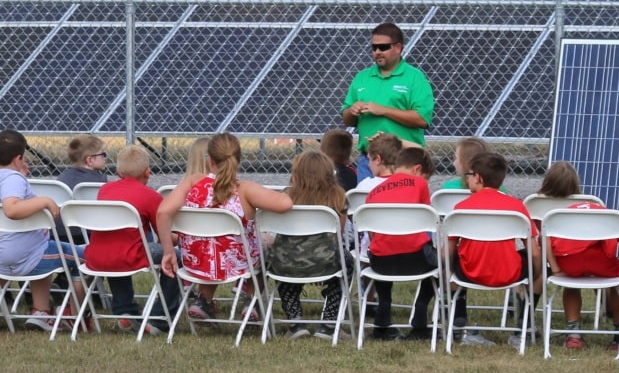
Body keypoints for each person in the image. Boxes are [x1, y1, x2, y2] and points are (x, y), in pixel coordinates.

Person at [156, 133, 293, 322]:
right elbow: (285, 204)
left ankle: (203, 300)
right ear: (238, 160)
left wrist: (168, 252)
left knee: (212, 244)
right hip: (238, 266)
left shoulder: (192, 182)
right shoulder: (245, 189)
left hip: (196, 264)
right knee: (266, 246)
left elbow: (163, 212)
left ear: (210, 160)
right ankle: (251, 300)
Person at [0, 130, 80, 330]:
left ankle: (40, 312)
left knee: (46, 247)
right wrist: (44, 200)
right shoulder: (12, 179)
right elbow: (11, 209)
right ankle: (75, 315)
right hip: (26, 258)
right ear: (19, 158)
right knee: (87, 258)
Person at [446, 151, 537, 347]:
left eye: (469, 175)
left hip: (469, 274)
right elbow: (535, 252)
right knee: (536, 263)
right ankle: (524, 325)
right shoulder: (517, 207)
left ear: (477, 177)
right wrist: (535, 272)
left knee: (450, 257)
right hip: (510, 273)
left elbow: (447, 254)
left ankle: (458, 318)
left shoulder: (461, 208)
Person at [85, 143, 179, 329]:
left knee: (116, 246)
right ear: (147, 172)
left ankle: (124, 310)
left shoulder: (105, 191)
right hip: (130, 256)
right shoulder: (151, 196)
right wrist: (181, 238)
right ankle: (159, 318)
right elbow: (163, 238)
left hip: (96, 255)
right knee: (177, 258)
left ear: (118, 172)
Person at [538, 161, 619, 349]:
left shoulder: (537, 204)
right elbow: (612, 243)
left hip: (567, 262)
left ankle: (573, 334)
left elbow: (545, 238)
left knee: (571, 284)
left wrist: (556, 268)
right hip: (600, 262)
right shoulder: (595, 206)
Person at [267, 150, 349, 339]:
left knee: (283, 265)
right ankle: (329, 323)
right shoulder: (339, 197)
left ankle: (295, 323)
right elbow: (339, 233)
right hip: (325, 261)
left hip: (286, 262)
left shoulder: (286, 197)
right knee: (346, 262)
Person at [362, 145, 438, 341]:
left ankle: (382, 320)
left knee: (381, 250)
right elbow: (426, 221)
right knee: (442, 261)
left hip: (381, 263)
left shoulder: (373, 192)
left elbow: (373, 235)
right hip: (417, 259)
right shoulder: (419, 184)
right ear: (417, 169)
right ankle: (420, 317)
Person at [342, 22, 434, 151]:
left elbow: (422, 119)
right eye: (374, 48)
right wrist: (352, 110)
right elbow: (347, 120)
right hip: (369, 158)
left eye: (383, 47)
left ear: (398, 48)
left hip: (403, 156)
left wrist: (384, 110)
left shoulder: (415, 77)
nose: (377, 52)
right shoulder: (362, 77)